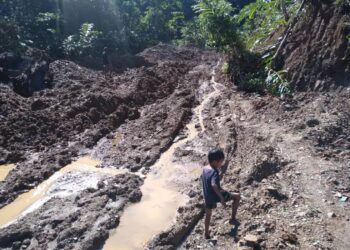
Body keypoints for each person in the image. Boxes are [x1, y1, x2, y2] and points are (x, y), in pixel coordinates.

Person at [201, 148, 241, 239]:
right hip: (216, 196)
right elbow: (214, 185)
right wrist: (221, 198)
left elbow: (205, 180)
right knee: (237, 196)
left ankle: (206, 234)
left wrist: (220, 188)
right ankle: (233, 219)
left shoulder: (205, 168)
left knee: (208, 214)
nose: (222, 164)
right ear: (215, 162)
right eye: (221, 162)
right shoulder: (215, 171)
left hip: (207, 196)